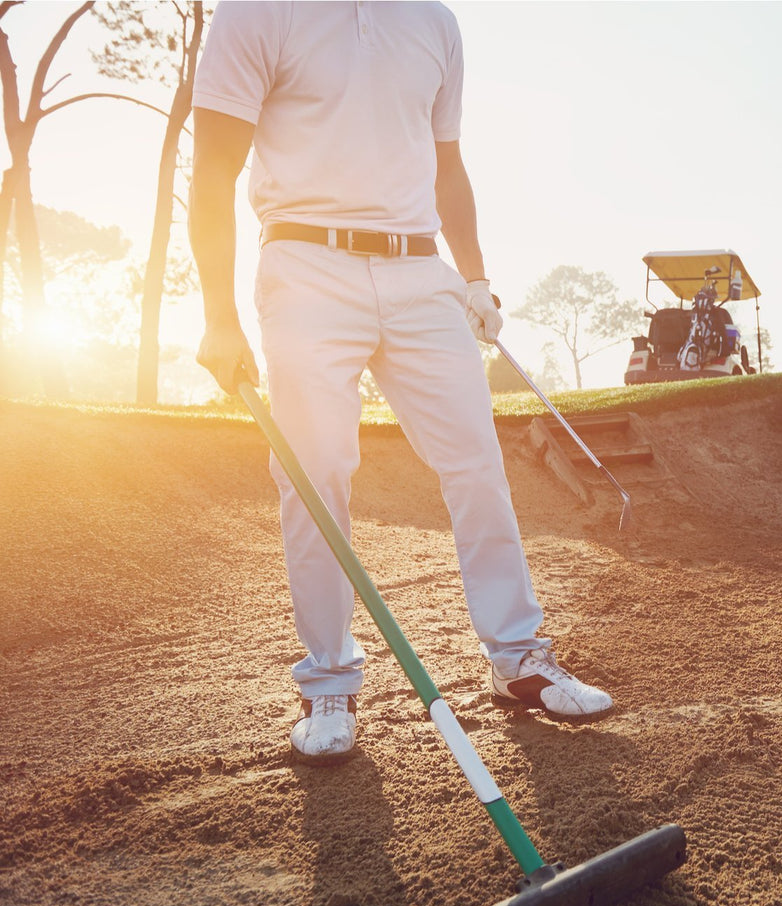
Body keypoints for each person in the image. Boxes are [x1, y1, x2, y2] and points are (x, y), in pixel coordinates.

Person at [189, 1, 612, 759]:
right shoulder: (256, 10)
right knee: (315, 476)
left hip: (421, 271)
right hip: (305, 264)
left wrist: (475, 277)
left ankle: (518, 660)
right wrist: (219, 314)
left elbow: (447, 163)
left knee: (477, 461)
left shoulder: (435, 21)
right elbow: (214, 166)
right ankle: (327, 687)